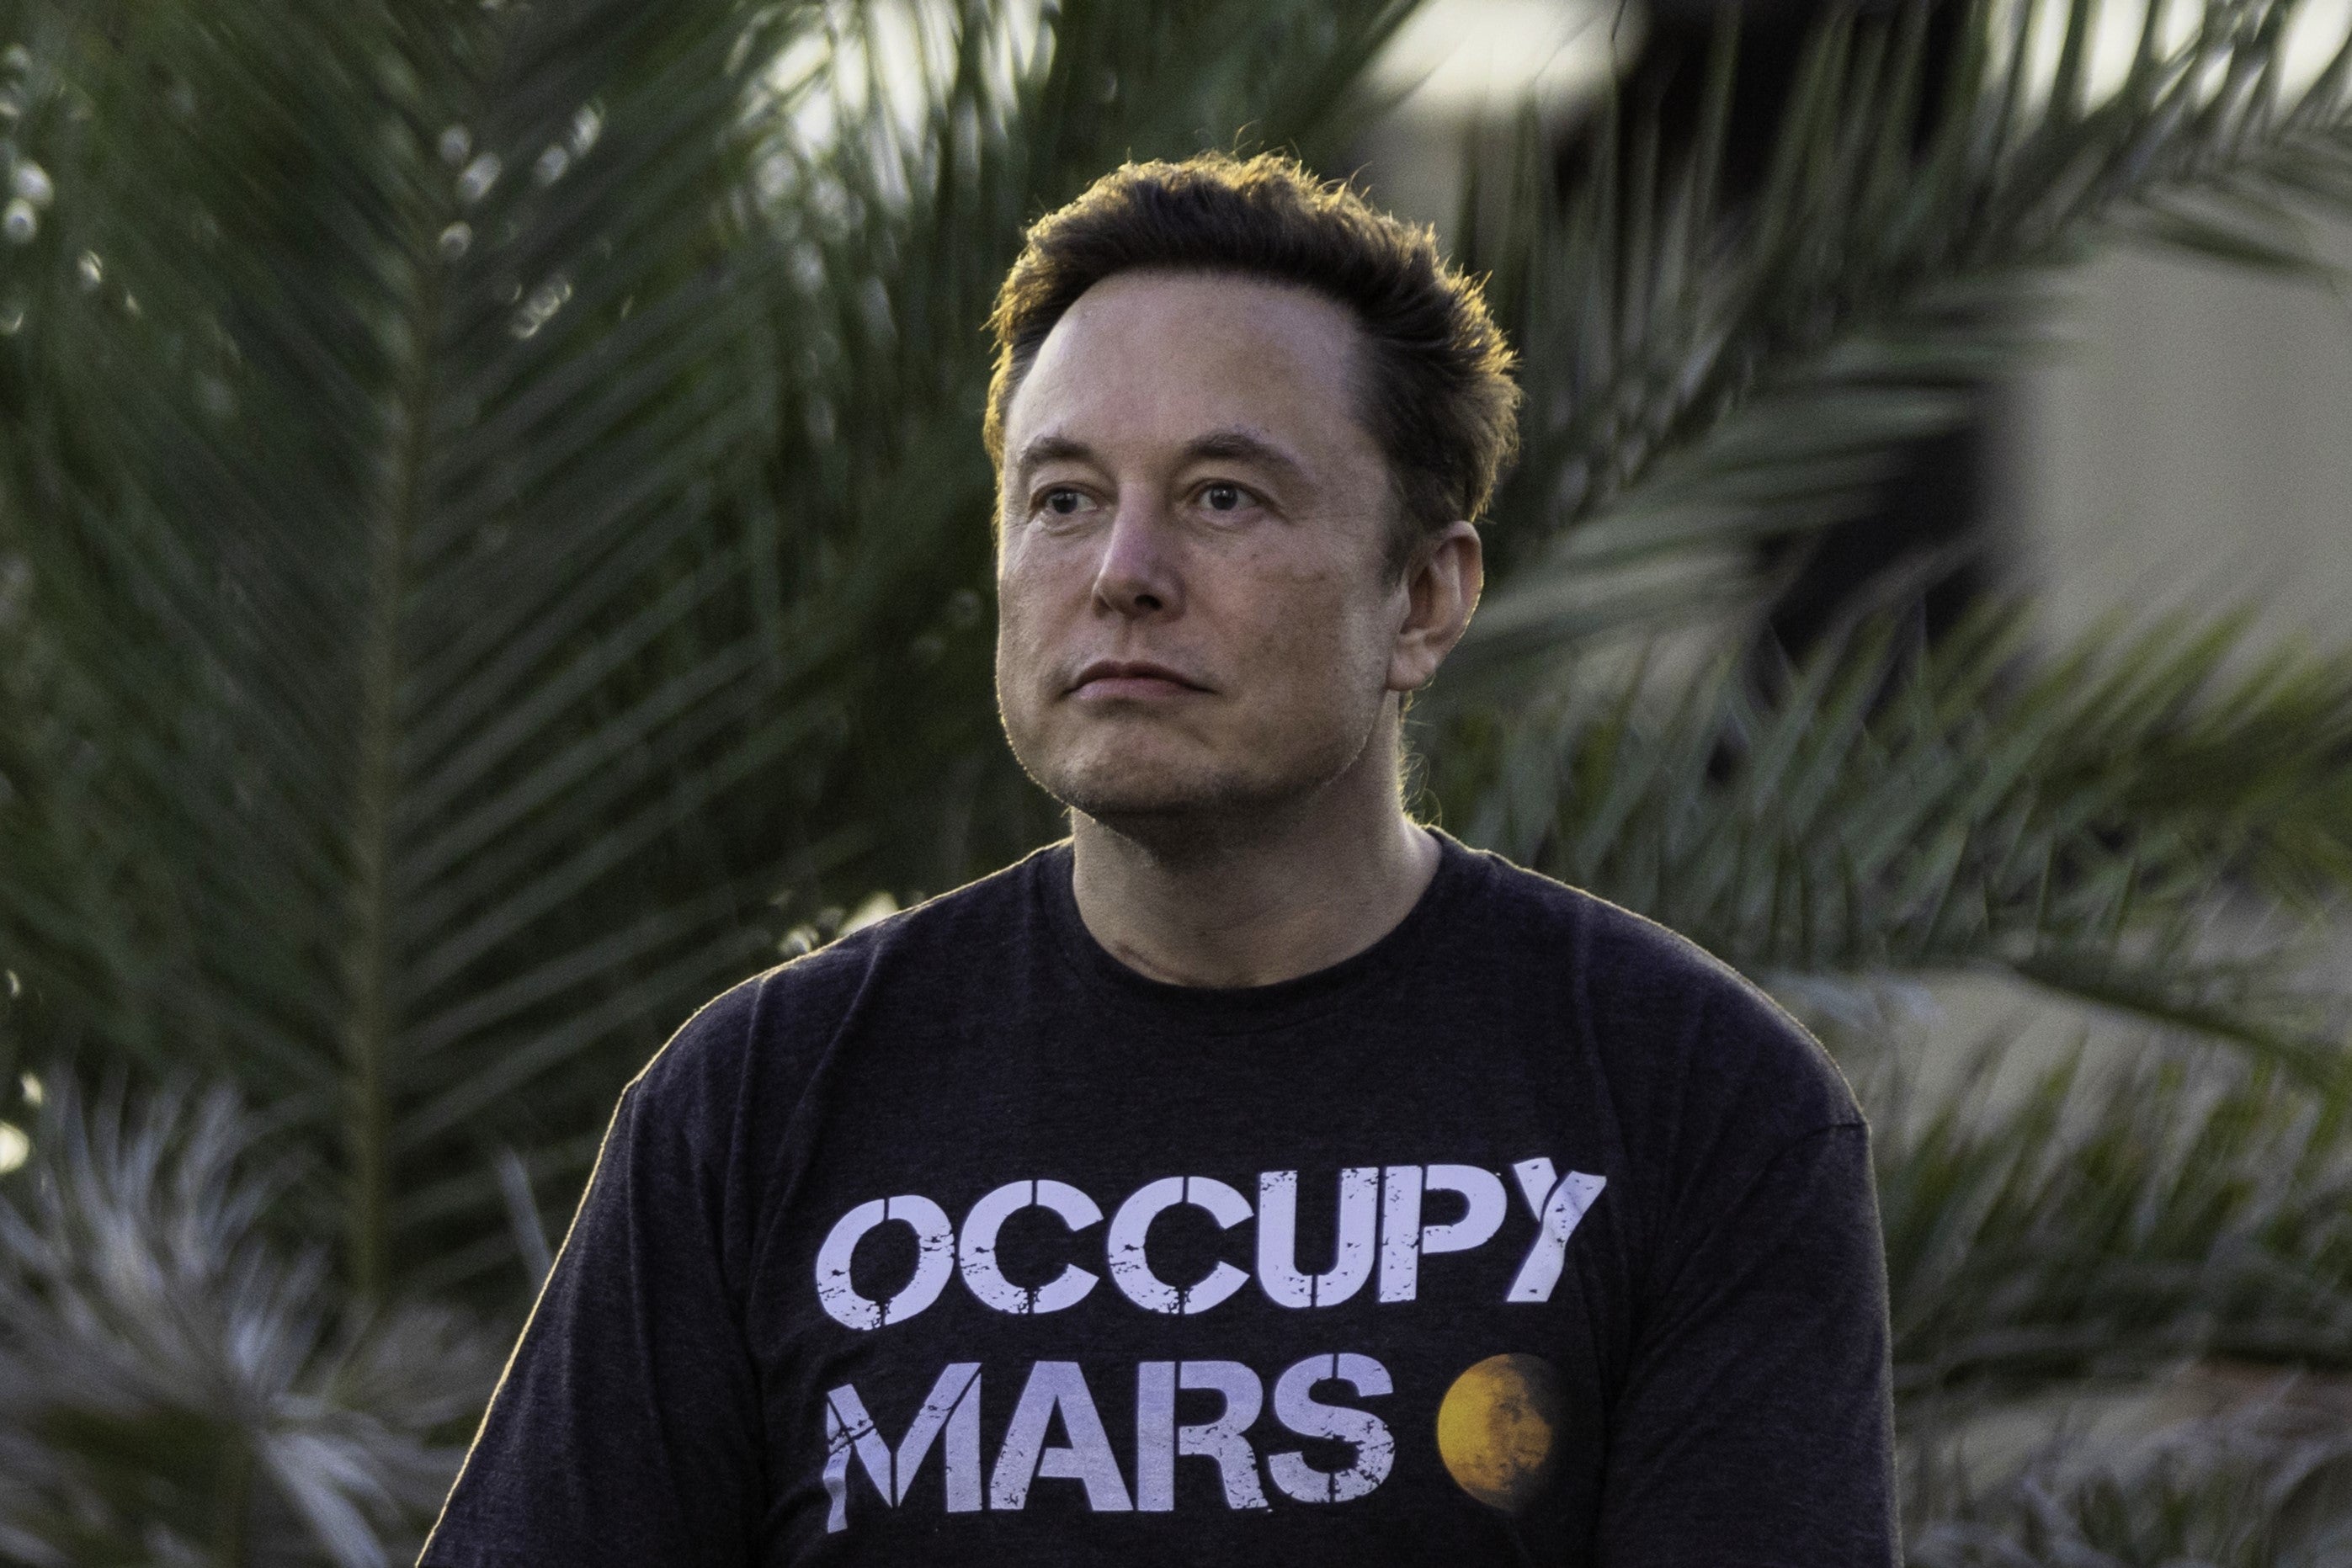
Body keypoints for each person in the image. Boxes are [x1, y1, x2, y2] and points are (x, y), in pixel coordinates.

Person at [419, 151, 1897, 1567]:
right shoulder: (757, 1101)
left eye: (1221, 498)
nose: (1123, 572)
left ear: (1425, 599)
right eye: (1062, 498)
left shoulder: (1688, 1102)